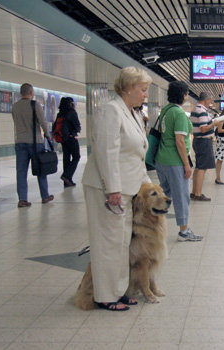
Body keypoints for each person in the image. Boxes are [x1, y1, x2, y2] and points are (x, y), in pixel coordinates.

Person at [81, 66, 152, 311]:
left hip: (127, 188)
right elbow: (105, 153)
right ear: (127, 88)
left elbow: (135, 155)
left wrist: (148, 186)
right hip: (107, 189)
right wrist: (112, 189)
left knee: (121, 242)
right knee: (108, 242)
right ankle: (105, 296)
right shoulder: (110, 111)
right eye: (143, 90)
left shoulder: (130, 113)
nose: (145, 95)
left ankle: (118, 290)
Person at [155, 81, 203, 242]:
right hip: (175, 161)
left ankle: (154, 226)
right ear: (182, 95)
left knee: (165, 195)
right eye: (186, 93)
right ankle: (184, 230)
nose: (187, 96)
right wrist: (186, 164)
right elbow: (180, 141)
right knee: (181, 196)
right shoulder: (179, 114)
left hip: (161, 159)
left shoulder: (165, 111)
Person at [11, 83, 54, 208]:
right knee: (41, 169)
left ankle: (22, 199)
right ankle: (45, 196)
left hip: (20, 142)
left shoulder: (15, 106)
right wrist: (47, 134)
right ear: (31, 92)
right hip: (35, 143)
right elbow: (43, 122)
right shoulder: (35, 105)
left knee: (21, 171)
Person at [189, 92, 220, 201]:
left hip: (198, 141)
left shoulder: (194, 110)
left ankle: (194, 192)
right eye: (210, 100)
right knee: (202, 168)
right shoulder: (201, 111)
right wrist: (214, 124)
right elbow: (203, 128)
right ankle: (198, 193)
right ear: (206, 99)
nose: (210, 103)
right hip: (204, 142)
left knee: (198, 167)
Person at [54, 97, 81, 187]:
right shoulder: (72, 113)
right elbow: (77, 126)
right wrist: (75, 131)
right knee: (76, 157)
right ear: (70, 104)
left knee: (66, 158)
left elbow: (55, 126)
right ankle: (66, 175)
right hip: (71, 138)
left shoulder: (60, 114)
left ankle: (67, 181)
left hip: (63, 139)